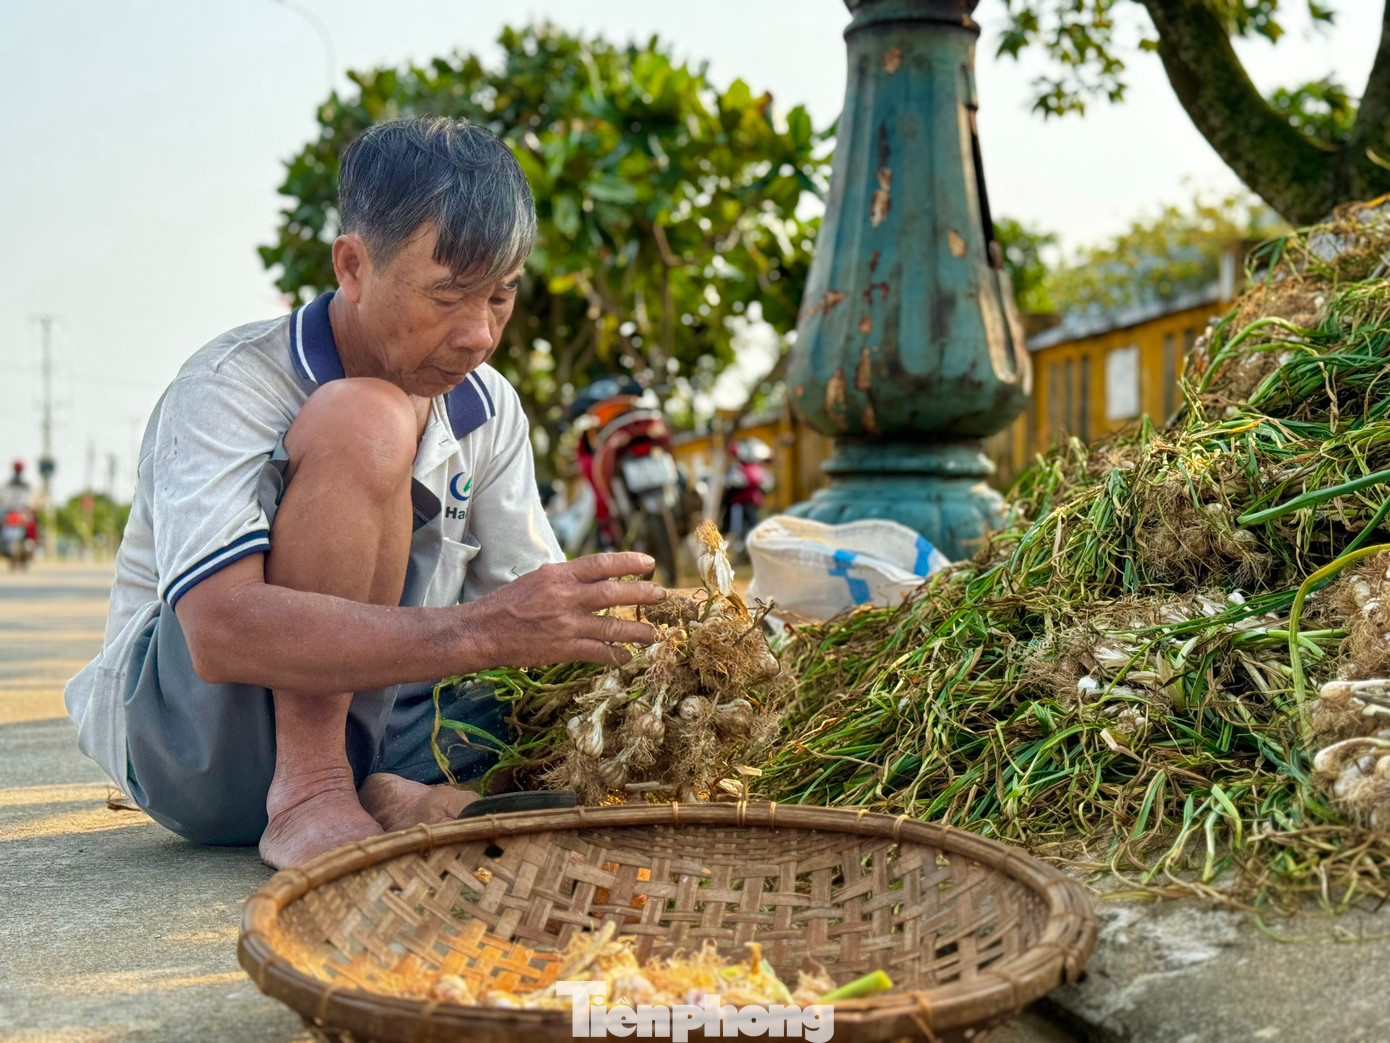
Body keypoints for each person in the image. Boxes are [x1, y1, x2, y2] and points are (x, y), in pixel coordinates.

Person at [64, 117, 664, 869]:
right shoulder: (230, 384)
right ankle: (310, 787)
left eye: (501, 297)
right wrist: (480, 629)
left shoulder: (488, 405)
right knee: (366, 416)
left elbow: (526, 615)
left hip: (390, 724)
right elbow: (218, 633)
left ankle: (384, 788)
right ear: (352, 266)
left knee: (580, 726)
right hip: (204, 746)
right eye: (448, 297)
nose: (480, 334)